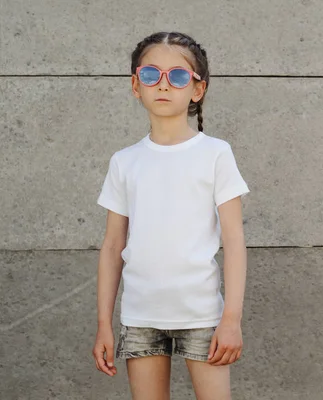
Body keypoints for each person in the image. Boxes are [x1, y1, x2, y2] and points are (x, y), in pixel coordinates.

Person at [92, 31, 250, 400]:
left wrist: (231, 319)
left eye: (178, 76)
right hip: (141, 314)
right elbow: (112, 244)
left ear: (197, 89)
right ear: (136, 85)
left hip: (202, 315)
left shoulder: (215, 154)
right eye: (151, 74)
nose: (163, 85)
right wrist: (104, 323)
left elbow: (234, 240)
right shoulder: (125, 161)